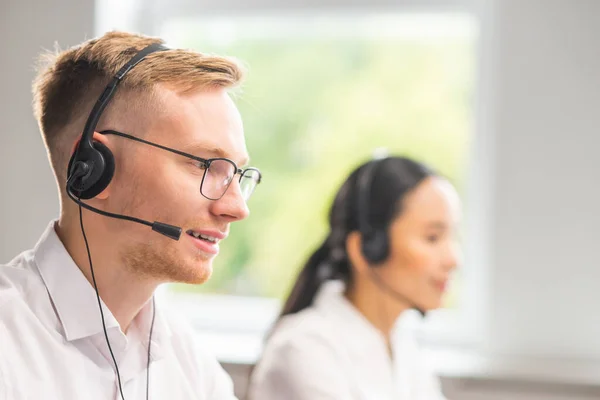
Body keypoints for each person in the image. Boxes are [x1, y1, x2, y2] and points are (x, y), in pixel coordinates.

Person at [0, 31, 262, 399]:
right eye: (204, 164)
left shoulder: (191, 364)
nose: (236, 208)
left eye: (236, 173)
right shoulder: (8, 350)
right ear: (94, 168)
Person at [247, 156, 460, 400]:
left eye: (453, 237)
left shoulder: (404, 348)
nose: (454, 259)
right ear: (365, 249)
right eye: (432, 238)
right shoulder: (304, 348)